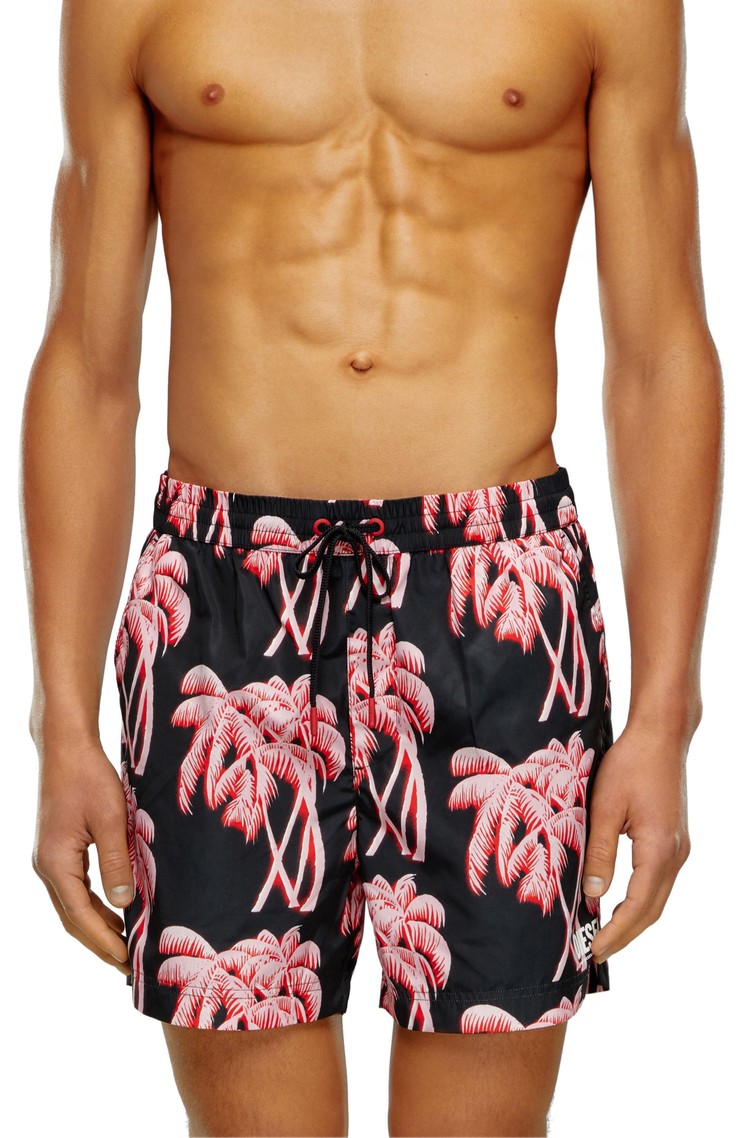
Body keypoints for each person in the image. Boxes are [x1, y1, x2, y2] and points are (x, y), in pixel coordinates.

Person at [20, 0, 722, 1135]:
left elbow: (659, 351)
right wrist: (59, 720)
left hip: (496, 595)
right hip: (225, 598)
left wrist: (668, 715)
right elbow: (88, 364)